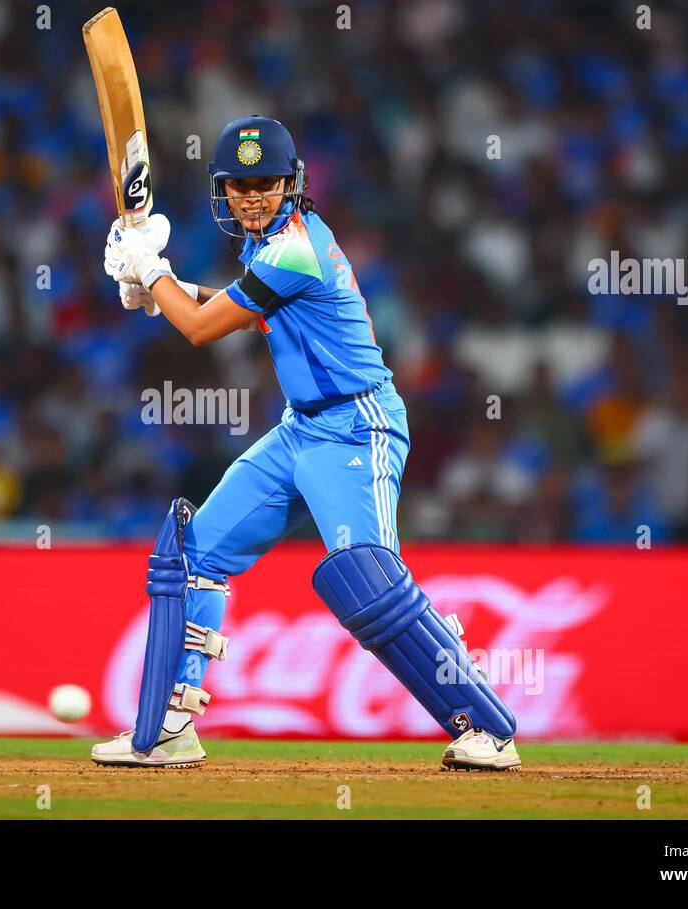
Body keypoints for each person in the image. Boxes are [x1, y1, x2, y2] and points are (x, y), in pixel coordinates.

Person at [95, 116, 520, 771]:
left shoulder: (294, 246)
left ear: (291, 184)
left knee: (367, 579)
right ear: (224, 193)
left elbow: (203, 331)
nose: (253, 196)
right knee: (199, 552)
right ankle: (172, 726)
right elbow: (231, 307)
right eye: (239, 186)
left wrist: (152, 274)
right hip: (301, 429)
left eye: (265, 183)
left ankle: (486, 726)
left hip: (358, 425)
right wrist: (158, 290)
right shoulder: (267, 248)